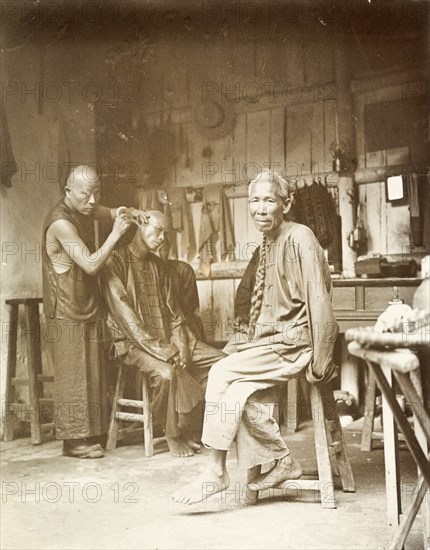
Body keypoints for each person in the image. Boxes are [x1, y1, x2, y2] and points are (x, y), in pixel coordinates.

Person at [172, 168, 339, 504]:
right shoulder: (268, 242)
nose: (261, 208)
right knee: (236, 392)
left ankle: (216, 472)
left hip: (296, 344)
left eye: (269, 200)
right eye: (255, 200)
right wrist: (246, 339)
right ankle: (283, 461)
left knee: (220, 372)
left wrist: (321, 360)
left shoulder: (300, 237)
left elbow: (320, 302)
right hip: (273, 343)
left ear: (287, 203)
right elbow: (263, 305)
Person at [99, 210, 225, 457]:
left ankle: (190, 425)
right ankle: (172, 433)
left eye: (166, 234)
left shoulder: (159, 267)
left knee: (222, 363)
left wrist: (182, 347)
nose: (161, 238)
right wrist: (166, 351)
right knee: (167, 374)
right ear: (140, 225)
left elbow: (175, 315)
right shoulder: (115, 261)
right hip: (132, 344)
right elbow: (127, 320)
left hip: (167, 341)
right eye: (157, 230)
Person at [42, 164, 147, 459]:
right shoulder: (60, 223)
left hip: (85, 301)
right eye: (86, 194)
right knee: (74, 374)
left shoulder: (83, 208)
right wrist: (115, 235)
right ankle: (73, 442)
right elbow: (89, 264)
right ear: (67, 192)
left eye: (96, 192)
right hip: (64, 307)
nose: (92, 200)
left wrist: (128, 212)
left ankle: (90, 433)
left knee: (92, 371)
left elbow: (108, 211)